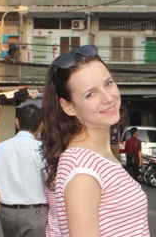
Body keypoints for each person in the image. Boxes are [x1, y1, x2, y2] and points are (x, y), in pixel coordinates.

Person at [40, 44, 149, 237]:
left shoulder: (95, 156)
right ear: (69, 106)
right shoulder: (83, 168)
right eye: (90, 94)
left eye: (108, 83)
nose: (108, 98)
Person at [0, 104, 47, 237]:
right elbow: (50, 181)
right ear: (40, 125)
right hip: (35, 212)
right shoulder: (42, 149)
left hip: (8, 212)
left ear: (17, 122)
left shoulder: (1, 148)